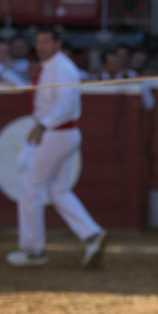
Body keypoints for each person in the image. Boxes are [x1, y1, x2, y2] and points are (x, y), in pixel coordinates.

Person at [7, 26, 107, 269]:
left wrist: (42, 126)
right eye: (38, 42)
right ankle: (91, 234)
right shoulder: (56, 67)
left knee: (31, 186)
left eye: (46, 42)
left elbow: (65, 105)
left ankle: (33, 250)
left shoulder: (61, 68)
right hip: (63, 133)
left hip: (56, 133)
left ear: (57, 44)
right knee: (59, 190)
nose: (40, 46)